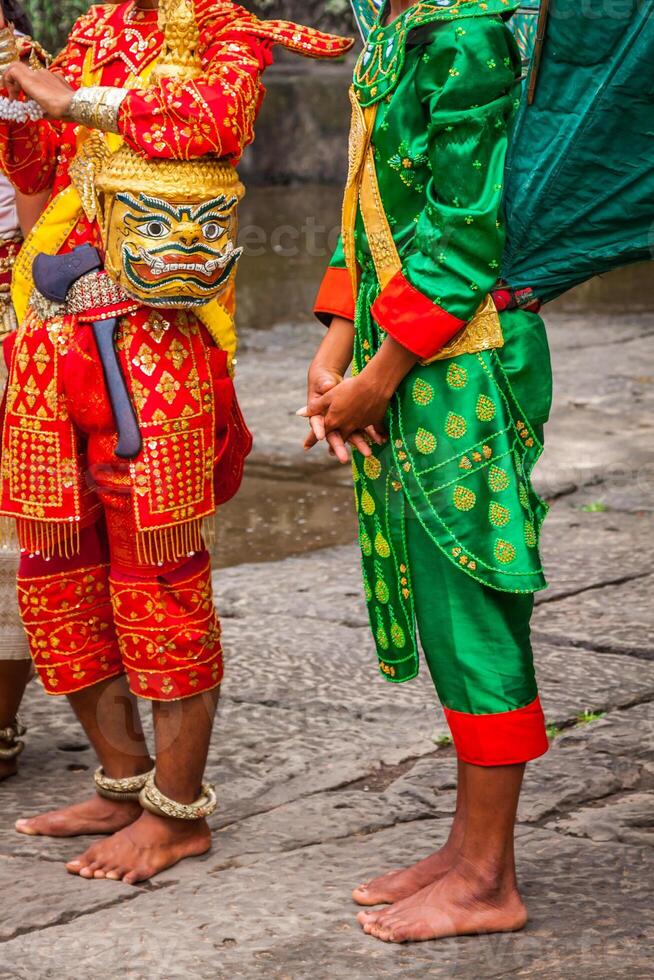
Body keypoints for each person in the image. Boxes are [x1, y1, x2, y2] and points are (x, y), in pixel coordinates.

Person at [0, 0, 352, 883]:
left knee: (156, 576)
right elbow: (46, 159)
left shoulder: (224, 26)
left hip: (155, 346)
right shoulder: (97, 24)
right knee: (53, 568)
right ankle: (121, 781)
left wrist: (74, 100)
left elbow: (215, 119)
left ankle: (179, 813)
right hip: (51, 336)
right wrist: (17, 97)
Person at [303, 0, 551, 943]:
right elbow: (364, 205)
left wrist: (375, 375)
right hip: (408, 352)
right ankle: (465, 850)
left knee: (473, 603)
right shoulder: (393, 25)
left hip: (467, 359)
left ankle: (490, 880)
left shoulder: (468, 32)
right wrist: (335, 344)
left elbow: (462, 233)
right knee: (447, 615)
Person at [0, 0, 50, 781]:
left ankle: (0, 724)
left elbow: (43, 223)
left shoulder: (24, 67)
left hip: (10, 307)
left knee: (16, 527)